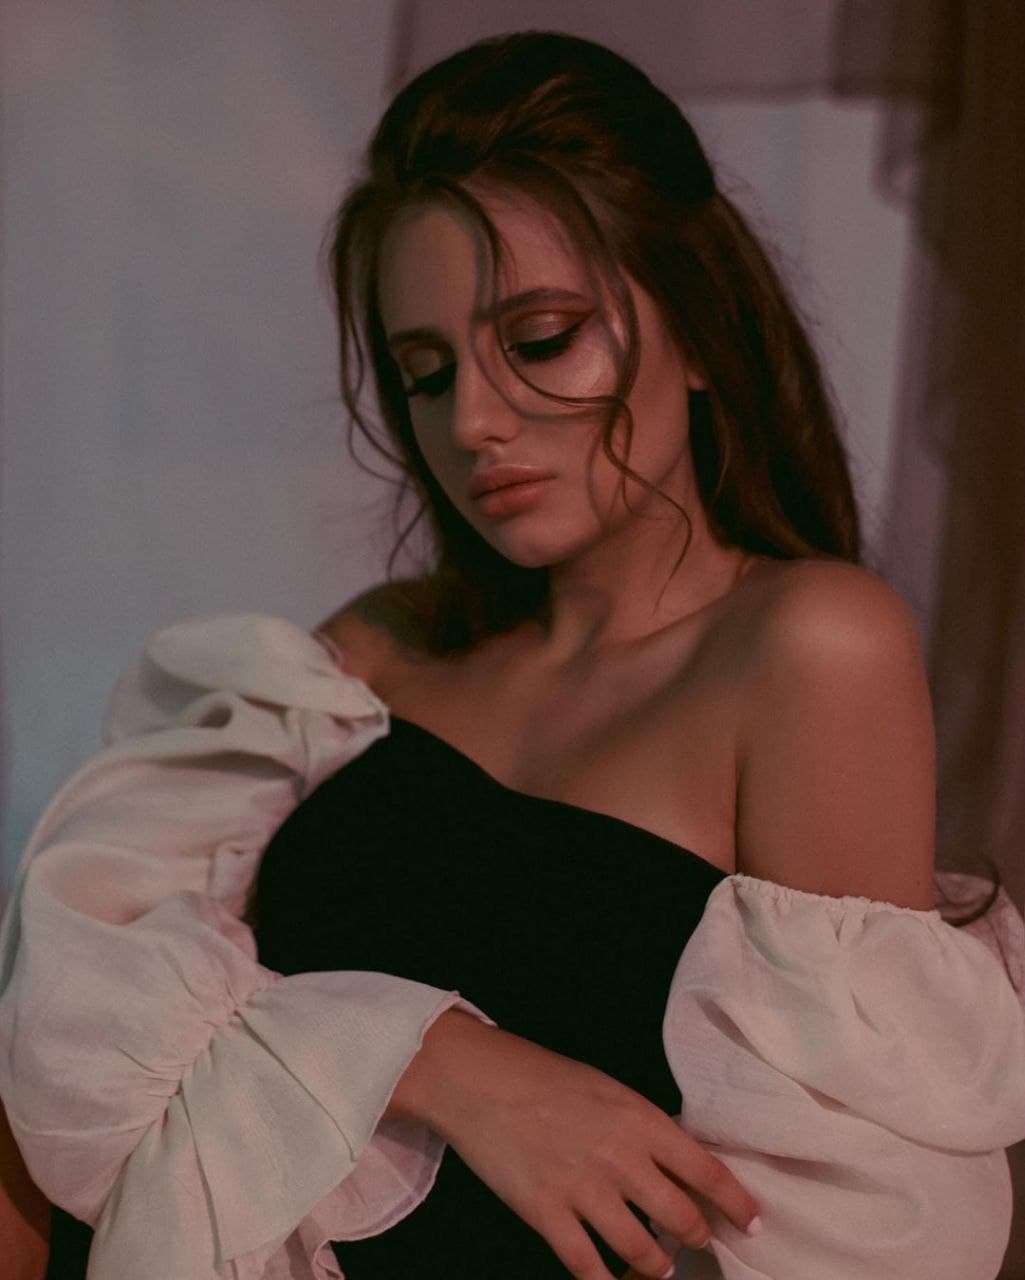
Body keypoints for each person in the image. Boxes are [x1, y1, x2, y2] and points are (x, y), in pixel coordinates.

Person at [2, 28, 1025, 1280]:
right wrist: (438, 1059)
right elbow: (75, 998)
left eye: (539, 339)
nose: (472, 422)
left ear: (702, 329)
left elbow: (859, 1219)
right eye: (424, 374)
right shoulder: (379, 647)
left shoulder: (807, 646)